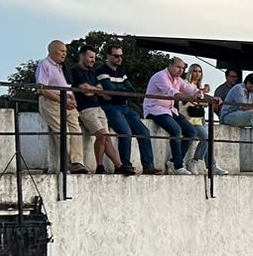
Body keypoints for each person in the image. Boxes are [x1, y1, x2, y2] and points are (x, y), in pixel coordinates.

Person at [93, 43, 155, 175]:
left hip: (123, 106)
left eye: (121, 56)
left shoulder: (121, 73)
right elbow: (110, 89)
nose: (119, 59)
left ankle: (148, 166)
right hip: (109, 107)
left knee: (144, 132)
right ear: (108, 56)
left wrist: (118, 90)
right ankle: (124, 166)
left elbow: (130, 90)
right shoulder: (101, 71)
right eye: (116, 56)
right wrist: (119, 90)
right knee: (125, 133)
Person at [143, 56, 208, 174]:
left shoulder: (178, 79)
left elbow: (191, 90)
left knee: (191, 132)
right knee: (176, 130)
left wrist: (211, 97)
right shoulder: (161, 76)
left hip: (170, 110)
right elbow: (173, 93)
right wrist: (191, 97)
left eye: (183, 68)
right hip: (155, 109)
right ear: (170, 66)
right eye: (178, 67)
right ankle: (178, 165)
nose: (181, 70)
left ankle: (174, 161)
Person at [63, 44, 120, 174]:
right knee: (102, 135)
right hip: (86, 108)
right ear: (82, 56)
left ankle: (116, 165)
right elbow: (87, 90)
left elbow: (98, 91)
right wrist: (96, 90)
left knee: (106, 137)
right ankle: (108, 165)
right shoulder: (75, 71)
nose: (93, 60)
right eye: (90, 57)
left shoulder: (92, 73)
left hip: (97, 107)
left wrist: (94, 89)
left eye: (94, 57)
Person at [35, 39, 85, 172]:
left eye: (65, 52)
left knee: (76, 131)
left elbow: (67, 86)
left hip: (67, 101)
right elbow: (42, 89)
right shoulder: (44, 64)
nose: (64, 54)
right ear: (52, 51)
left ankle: (77, 161)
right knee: (62, 133)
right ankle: (69, 163)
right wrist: (61, 100)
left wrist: (73, 100)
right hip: (53, 102)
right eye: (62, 51)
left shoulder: (63, 67)